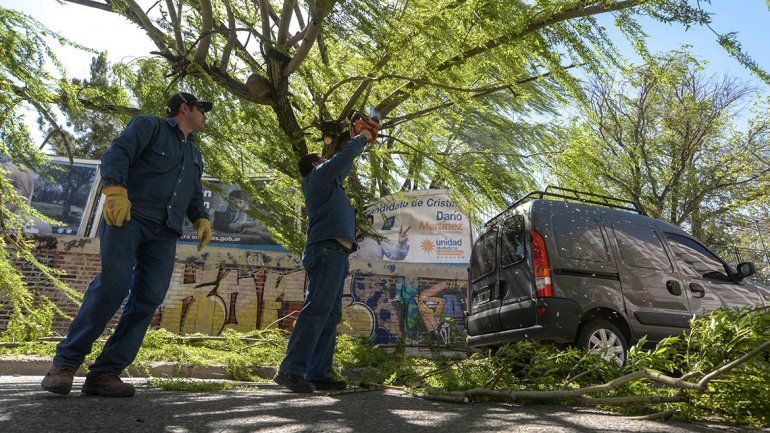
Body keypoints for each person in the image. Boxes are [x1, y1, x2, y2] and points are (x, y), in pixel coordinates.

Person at [40, 92, 214, 397]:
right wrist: (116, 189)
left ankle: (105, 373)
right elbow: (116, 154)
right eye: (202, 108)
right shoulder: (150, 126)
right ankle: (64, 364)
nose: (205, 114)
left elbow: (193, 193)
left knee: (149, 298)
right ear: (184, 108)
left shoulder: (195, 155)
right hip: (128, 218)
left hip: (165, 232)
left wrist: (200, 217)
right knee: (113, 286)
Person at [273, 121, 379, 393]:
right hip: (326, 250)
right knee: (318, 309)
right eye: (323, 160)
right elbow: (340, 161)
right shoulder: (316, 178)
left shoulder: (328, 185)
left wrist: (359, 141)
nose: (328, 162)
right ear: (315, 166)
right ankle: (290, 370)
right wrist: (360, 140)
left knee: (330, 315)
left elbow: (342, 165)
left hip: (337, 253)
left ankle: (317, 372)